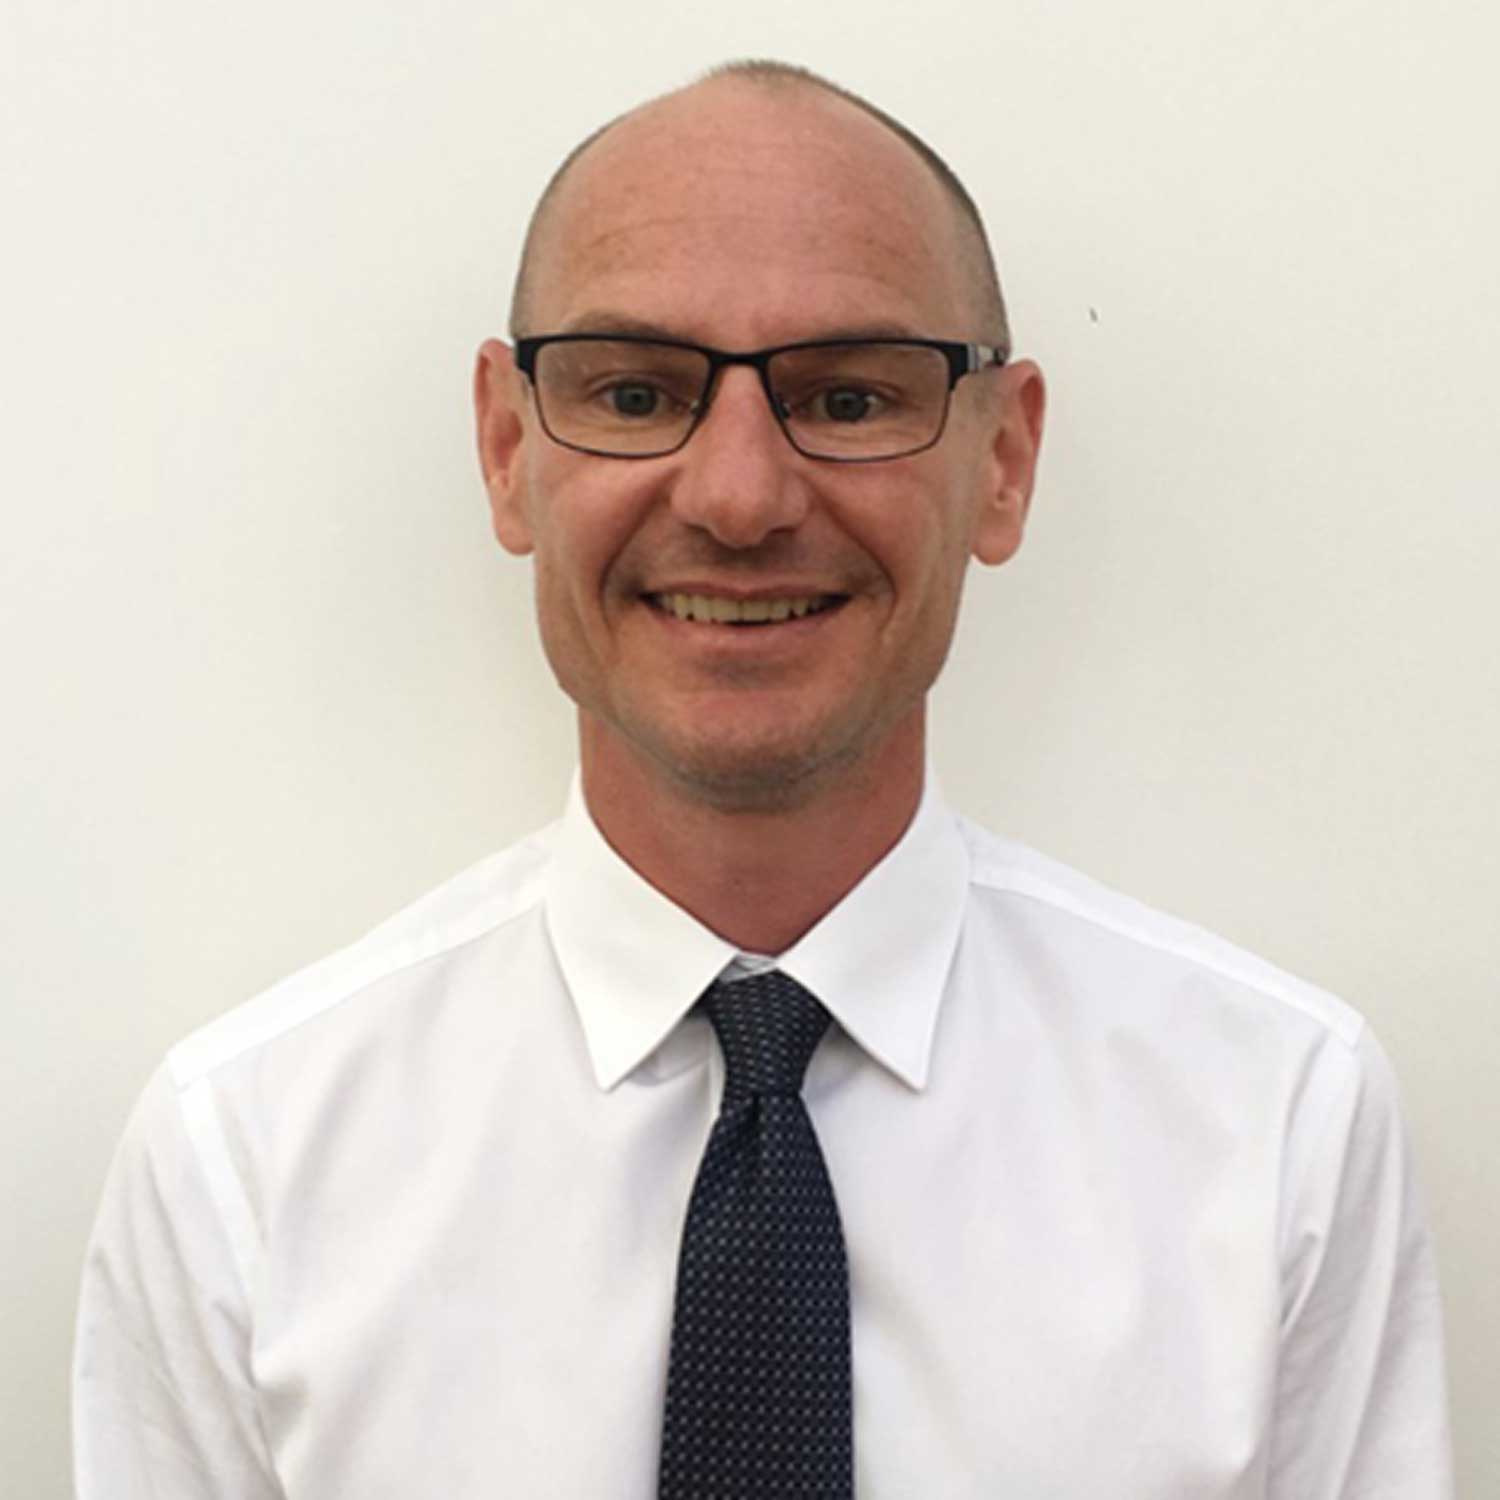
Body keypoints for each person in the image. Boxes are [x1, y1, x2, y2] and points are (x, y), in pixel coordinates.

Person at [73, 61, 1454, 1499]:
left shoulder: (1275, 1129)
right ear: (505, 447)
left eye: (848, 396)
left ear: (1004, 460)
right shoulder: (244, 1162)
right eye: (634, 392)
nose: (738, 498)